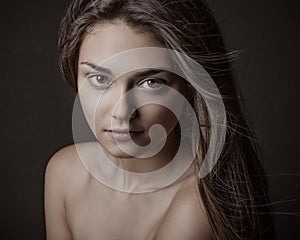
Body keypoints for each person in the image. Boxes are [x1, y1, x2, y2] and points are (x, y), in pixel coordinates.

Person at [44, 0, 275, 239]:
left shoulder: (197, 210)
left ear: (190, 88)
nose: (122, 111)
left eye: (151, 83)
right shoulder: (64, 172)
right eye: (99, 79)